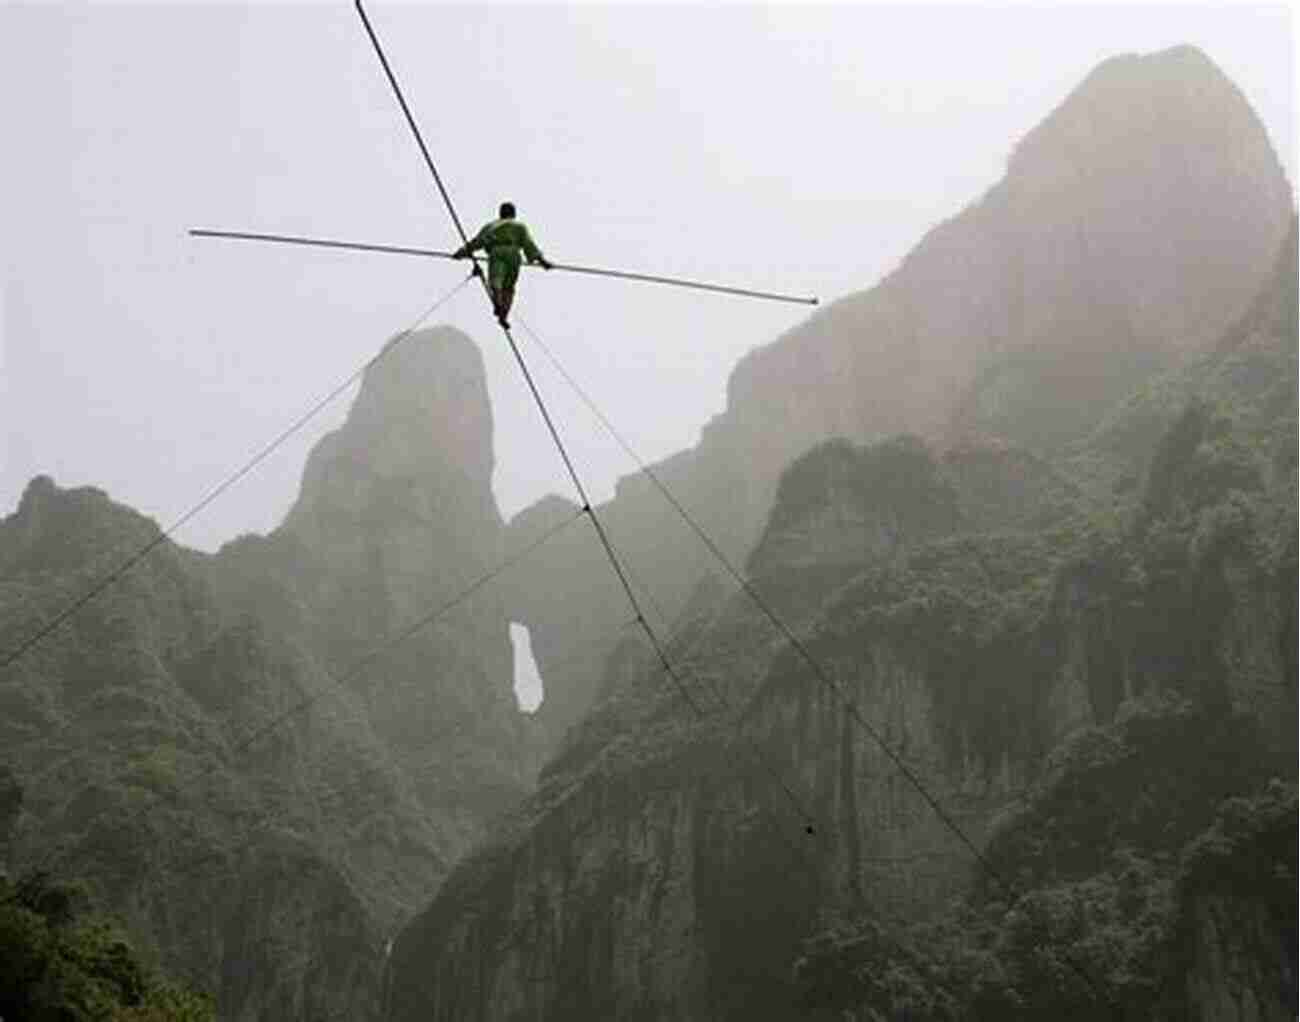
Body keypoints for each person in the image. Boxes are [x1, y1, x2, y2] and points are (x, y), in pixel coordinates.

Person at [453, 202, 552, 329]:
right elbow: (529, 244)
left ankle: (498, 303)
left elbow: (478, 242)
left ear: (500, 214)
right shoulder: (519, 226)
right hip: (514, 255)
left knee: (496, 280)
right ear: (514, 214)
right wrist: (542, 261)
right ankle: (503, 315)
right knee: (509, 287)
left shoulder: (491, 226)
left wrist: (461, 252)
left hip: (497, 253)